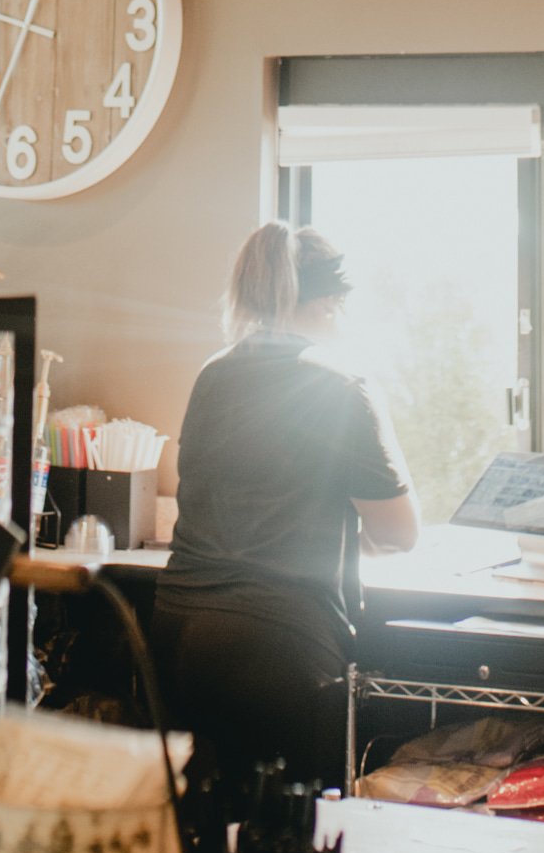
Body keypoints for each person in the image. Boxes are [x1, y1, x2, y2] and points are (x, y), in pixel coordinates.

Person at [151, 221, 418, 792]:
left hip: (180, 632)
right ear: (327, 305)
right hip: (277, 642)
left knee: (202, 834)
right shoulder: (342, 385)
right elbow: (400, 533)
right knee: (287, 844)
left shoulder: (212, 374)